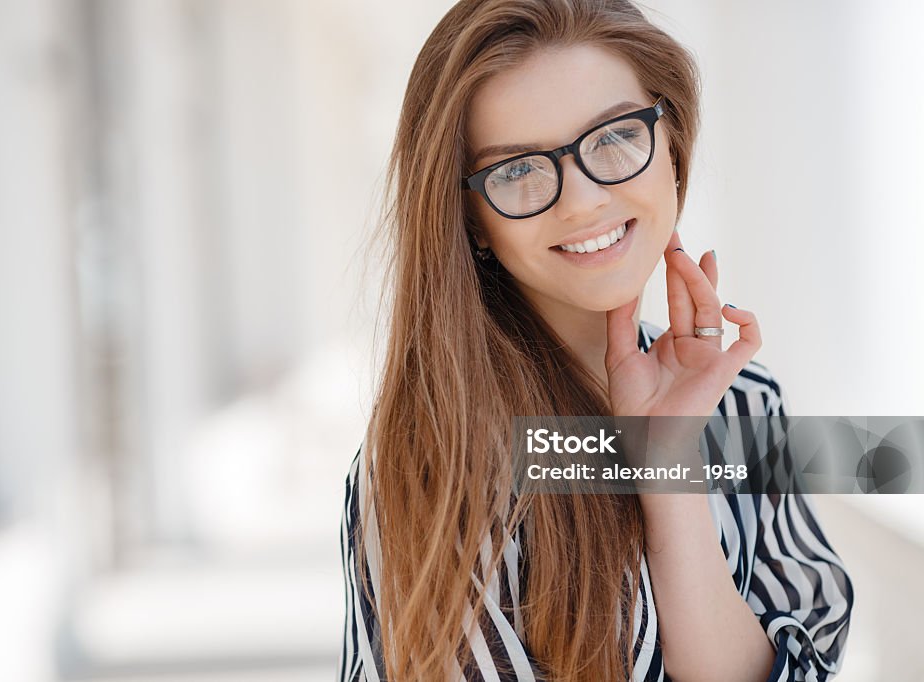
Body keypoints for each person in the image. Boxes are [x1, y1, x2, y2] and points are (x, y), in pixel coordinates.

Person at [337, 1, 853, 680]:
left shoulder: (745, 403)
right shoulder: (437, 449)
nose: (581, 202)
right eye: (517, 170)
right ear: (473, 222)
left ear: (672, 147)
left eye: (614, 136)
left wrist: (667, 468)